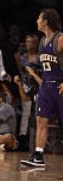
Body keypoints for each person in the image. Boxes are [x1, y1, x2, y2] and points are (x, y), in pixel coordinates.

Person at [21, 9, 63, 168]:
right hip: (46, 86)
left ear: (46, 21)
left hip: (60, 85)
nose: (37, 20)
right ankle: (38, 155)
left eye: (39, 18)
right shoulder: (42, 41)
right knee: (40, 120)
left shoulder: (60, 39)